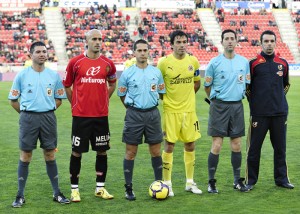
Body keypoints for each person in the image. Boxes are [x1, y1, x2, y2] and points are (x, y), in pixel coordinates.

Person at [8, 41, 70, 208]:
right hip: (28, 119)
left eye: (44, 51)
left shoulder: (53, 75)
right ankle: (20, 195)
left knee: (50, 154)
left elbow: (59, 100)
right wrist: (26, 114)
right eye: (38, 52)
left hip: (48, 119)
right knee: (26, 155)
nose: (42, 54)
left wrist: (47, 110)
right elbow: (13, 100)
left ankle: (57, 193)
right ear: (31, 54)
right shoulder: (22, 75)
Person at [63, 29, 117, 202]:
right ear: (86, 41)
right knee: (77, 152)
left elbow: (113, 83)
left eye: (100, 39)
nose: (97, 42)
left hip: (101, 116)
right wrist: (75, 104)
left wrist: (103, 100)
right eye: (94, 39)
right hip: (81, 116)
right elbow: (67, 85)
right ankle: (74, 190)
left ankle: (100, 188)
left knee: (102, 151)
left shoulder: (108, 63)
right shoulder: (75, 62)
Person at [117, 39, 166, 201]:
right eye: (140, 50)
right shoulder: (127, 73)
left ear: (148, 52)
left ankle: (159, 184)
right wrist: (132, 109)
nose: (143, 53)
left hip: (153, 114)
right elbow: (122, 95)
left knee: (156, 151)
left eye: (145, 50)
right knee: (131, 152)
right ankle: (128, 188)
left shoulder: (156, 72)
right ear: (134, 52)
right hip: (134, 115)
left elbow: (161, 93)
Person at [245, 30, 294, 190]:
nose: (269, 44)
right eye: (266, 41)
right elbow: (248, 88)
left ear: (275, 42)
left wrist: (278, 99)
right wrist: (257, 103)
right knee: (254, 149)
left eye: (272, 41)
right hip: (259, 114)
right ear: (261, 43)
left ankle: (282, 179)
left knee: (280, 149)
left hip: (279, 113)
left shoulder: (283, 63)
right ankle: (251, 181)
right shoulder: (253, 63)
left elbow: (285, 85)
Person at [204, 29, 250, 193]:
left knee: (236, 144)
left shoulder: (244, 62)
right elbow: (207, 87)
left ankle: (237, 180)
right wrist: (216, 102)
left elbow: (247, 84)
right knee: (217, 144)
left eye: (232, 38)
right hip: (219, 106)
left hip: (237, 106)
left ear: (236, 41)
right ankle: (211, 182)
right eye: (227, 39)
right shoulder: (214, 63)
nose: (230, 41)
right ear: (222, 42)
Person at [157, 30, 202, 197]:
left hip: (189, 112)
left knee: (190, 144)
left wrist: (187, 100)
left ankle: (190, 182)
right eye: (178, 42)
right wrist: (170, 101)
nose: (182, 45)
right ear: (172, 44)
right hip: (170, 111)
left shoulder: (193, 62)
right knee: (169, 145)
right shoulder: (163, 63)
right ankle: (167, 184)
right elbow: (159, 87)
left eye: (184, 41)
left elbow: (196, 83)